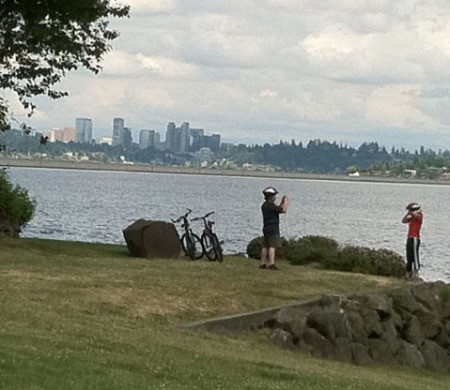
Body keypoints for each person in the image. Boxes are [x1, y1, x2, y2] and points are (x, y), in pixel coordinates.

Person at [260, 186, 289, 270]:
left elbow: (278, 209)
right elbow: (283, 210)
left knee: (265, 246)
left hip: (266, 227)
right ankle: (271, 263)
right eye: (274, 196)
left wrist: (281, 202)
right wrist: (286, 202)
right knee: (272, 246)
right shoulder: (271, 206)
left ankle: (262, 263)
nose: (275, 197)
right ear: (270, 197)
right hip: (273, 228)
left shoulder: (265, 206)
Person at [401, 202, 423, 279]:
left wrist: (412, 212)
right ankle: (409, 271)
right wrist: (407, 214)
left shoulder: (419, 216)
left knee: (415, 255)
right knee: (409, 255)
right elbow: (403, 220)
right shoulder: (412, 218)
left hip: (415, 238)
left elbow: (415, 215)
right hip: (409, 238)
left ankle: (416, 271)